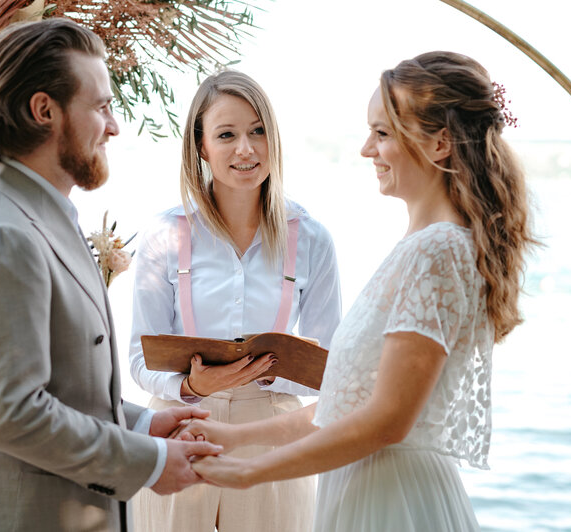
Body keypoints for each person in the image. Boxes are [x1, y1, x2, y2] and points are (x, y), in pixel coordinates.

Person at [181, 51, 537, 531]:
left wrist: (249, 473)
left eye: (383, 133)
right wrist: (232, 436)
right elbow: (342, 408)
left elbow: (388, 421)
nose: (367, 149)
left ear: (440, 144)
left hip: (392, 501)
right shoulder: (420, 246)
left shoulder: (438, 250)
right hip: (363, 489)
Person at [0, 18, 222, 532]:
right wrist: (149, 462)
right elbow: (14, 414)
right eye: (102, 107)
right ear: (44, 111)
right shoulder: (5, 235)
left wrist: (143, 424)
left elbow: (67, 386)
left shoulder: (36, 214)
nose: (114, 127)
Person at [128, 70, 342, 532]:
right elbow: (138, 361)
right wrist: (193, 388)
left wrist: (267, 376)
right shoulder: (166, 234)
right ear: (201, 147)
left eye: (258, 131)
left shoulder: (312, 239)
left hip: (273, 442)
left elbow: (334, 373)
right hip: (183, 429)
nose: (246, 149)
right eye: (227, 135)